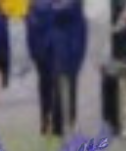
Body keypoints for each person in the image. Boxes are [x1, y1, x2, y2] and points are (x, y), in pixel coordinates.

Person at [27, 0, 84, 135]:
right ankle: (49, 120)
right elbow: (32, 22)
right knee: (47, 82)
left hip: (65, 44)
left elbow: (77, 21)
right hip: (45, 45)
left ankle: (63, 121)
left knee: (64, 81)